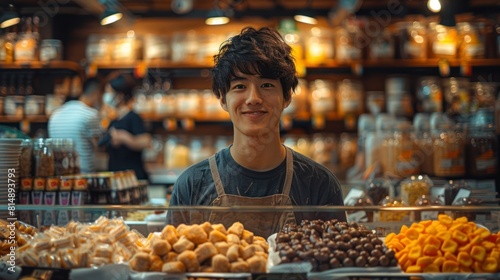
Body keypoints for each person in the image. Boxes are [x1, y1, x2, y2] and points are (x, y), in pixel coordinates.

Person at [167, 26, 346, 237]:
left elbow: (336, 266)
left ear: (286, 97)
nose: (253, 98)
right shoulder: (191, 185)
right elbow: (171, 264)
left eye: (267, 85)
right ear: (223, 99)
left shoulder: (319, 184)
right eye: (240, 86)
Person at [100, 73, 151, 181]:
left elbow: (146, 141)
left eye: (109, 92)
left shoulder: (133, 117)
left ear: (120, 95)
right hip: (116, 178)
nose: (106, 96)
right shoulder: (113, 120)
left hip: (132, 178)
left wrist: (124, 138)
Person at [48, 77, 104, 173]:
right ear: (96, 93)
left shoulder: (56, 114)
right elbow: (99, 146)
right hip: (84, 174)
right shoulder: (91, 114)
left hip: (59, 173)